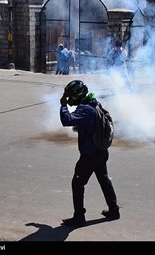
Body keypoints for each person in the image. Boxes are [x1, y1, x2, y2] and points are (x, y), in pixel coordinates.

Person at [59, 80, 120, 226]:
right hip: (101, 151)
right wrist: (81, 125)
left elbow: (66, 120)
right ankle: (114, 210)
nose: (68, 98)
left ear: (76, 95)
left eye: (69, 95)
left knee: (77, 183)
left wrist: (63, 105)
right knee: (104, 179)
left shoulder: (85, 109)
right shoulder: (93, 102)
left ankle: (79, 217)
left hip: (90, 155)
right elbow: (92, 122)